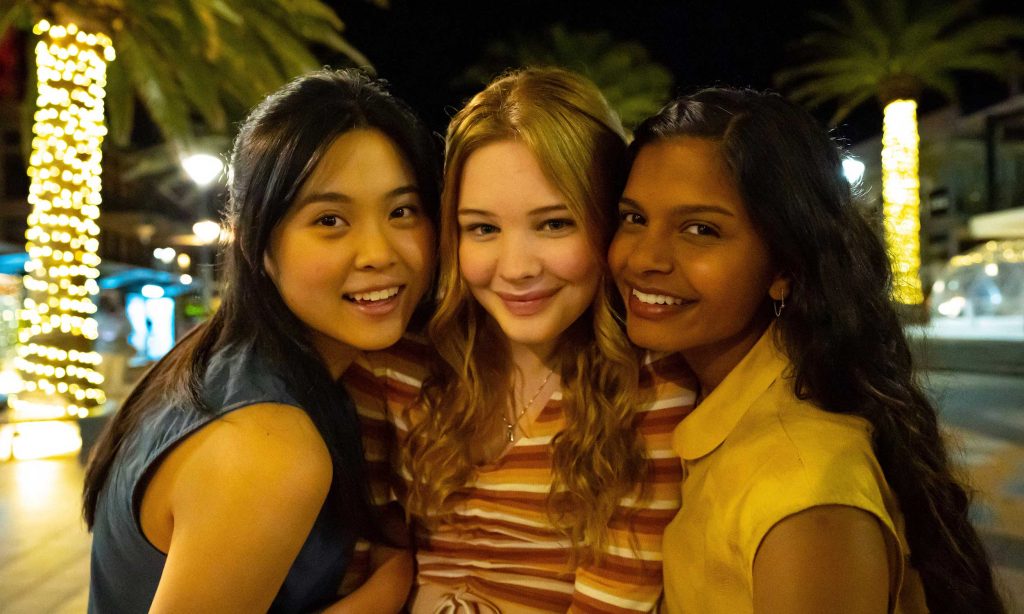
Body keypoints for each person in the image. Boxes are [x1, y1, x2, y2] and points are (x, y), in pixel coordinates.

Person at [609, 87, 1004, 613]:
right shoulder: (704, 401)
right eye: (634, 217)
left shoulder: (802, 491)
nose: (645, 257)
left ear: (784, 268)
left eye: (700, 229)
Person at [82, 68, 440, 613]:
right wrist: (388, 591)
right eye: (330, 219)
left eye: (402, 211)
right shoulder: (266, 444)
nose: (378, 252)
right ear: (258, 242)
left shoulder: (217, 359)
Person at [362, 67, 694, 613]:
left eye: (554, 224)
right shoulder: (401, 368)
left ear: (607, 220)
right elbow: (371, 560)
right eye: (483, 229)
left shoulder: (650, 389)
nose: (515, 269)